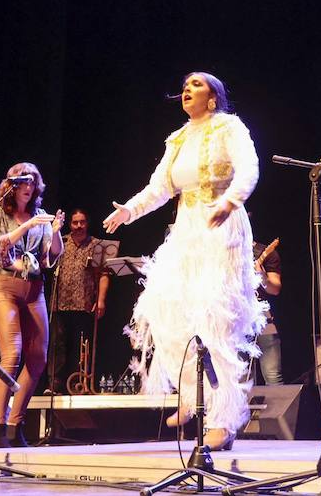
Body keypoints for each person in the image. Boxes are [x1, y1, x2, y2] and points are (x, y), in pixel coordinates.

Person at [103, 72, 266, 452]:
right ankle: (193, 396)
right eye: (185, 84)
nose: (187, 88)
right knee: (166, 315)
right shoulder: (177, 139)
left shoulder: (228, 126)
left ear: (213, 97)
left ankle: (224, 420)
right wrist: (130, 210)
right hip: (186, 230)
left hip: (222, 226)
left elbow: (249, 168)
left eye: (197, 84)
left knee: (215, 323)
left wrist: (230, 201)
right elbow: (160, 188)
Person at [0, 162, 63, 447]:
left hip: (34, 288)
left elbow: (49, 258)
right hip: (4, 286)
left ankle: (15, 426)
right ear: (12, 185)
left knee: (38, 359)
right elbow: (0, 249)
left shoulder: (41, 216)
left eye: (33, 182)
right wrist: (28, 226)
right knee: (12, 354)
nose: (28, 187)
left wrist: (54, 231)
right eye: (23, 183)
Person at [48, 208, 111, 393]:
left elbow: (104, 274)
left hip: (84, 304)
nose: (79, 226)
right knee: (56, 346)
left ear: (87, 223)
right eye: (75, 222)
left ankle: (80, 385)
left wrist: (101, 300)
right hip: (59, 303)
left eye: (82, 222)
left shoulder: (97, 245)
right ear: (70, 224)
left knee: (81, 348)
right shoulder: (61, 241)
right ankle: (54, 386)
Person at [252, 239, 283, 385]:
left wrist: (262, 277)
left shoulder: (264, 252)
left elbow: (275, 289)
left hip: (263, 316)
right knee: (238, 377)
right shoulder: (223, 252)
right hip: (234, 318)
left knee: (273, 375)